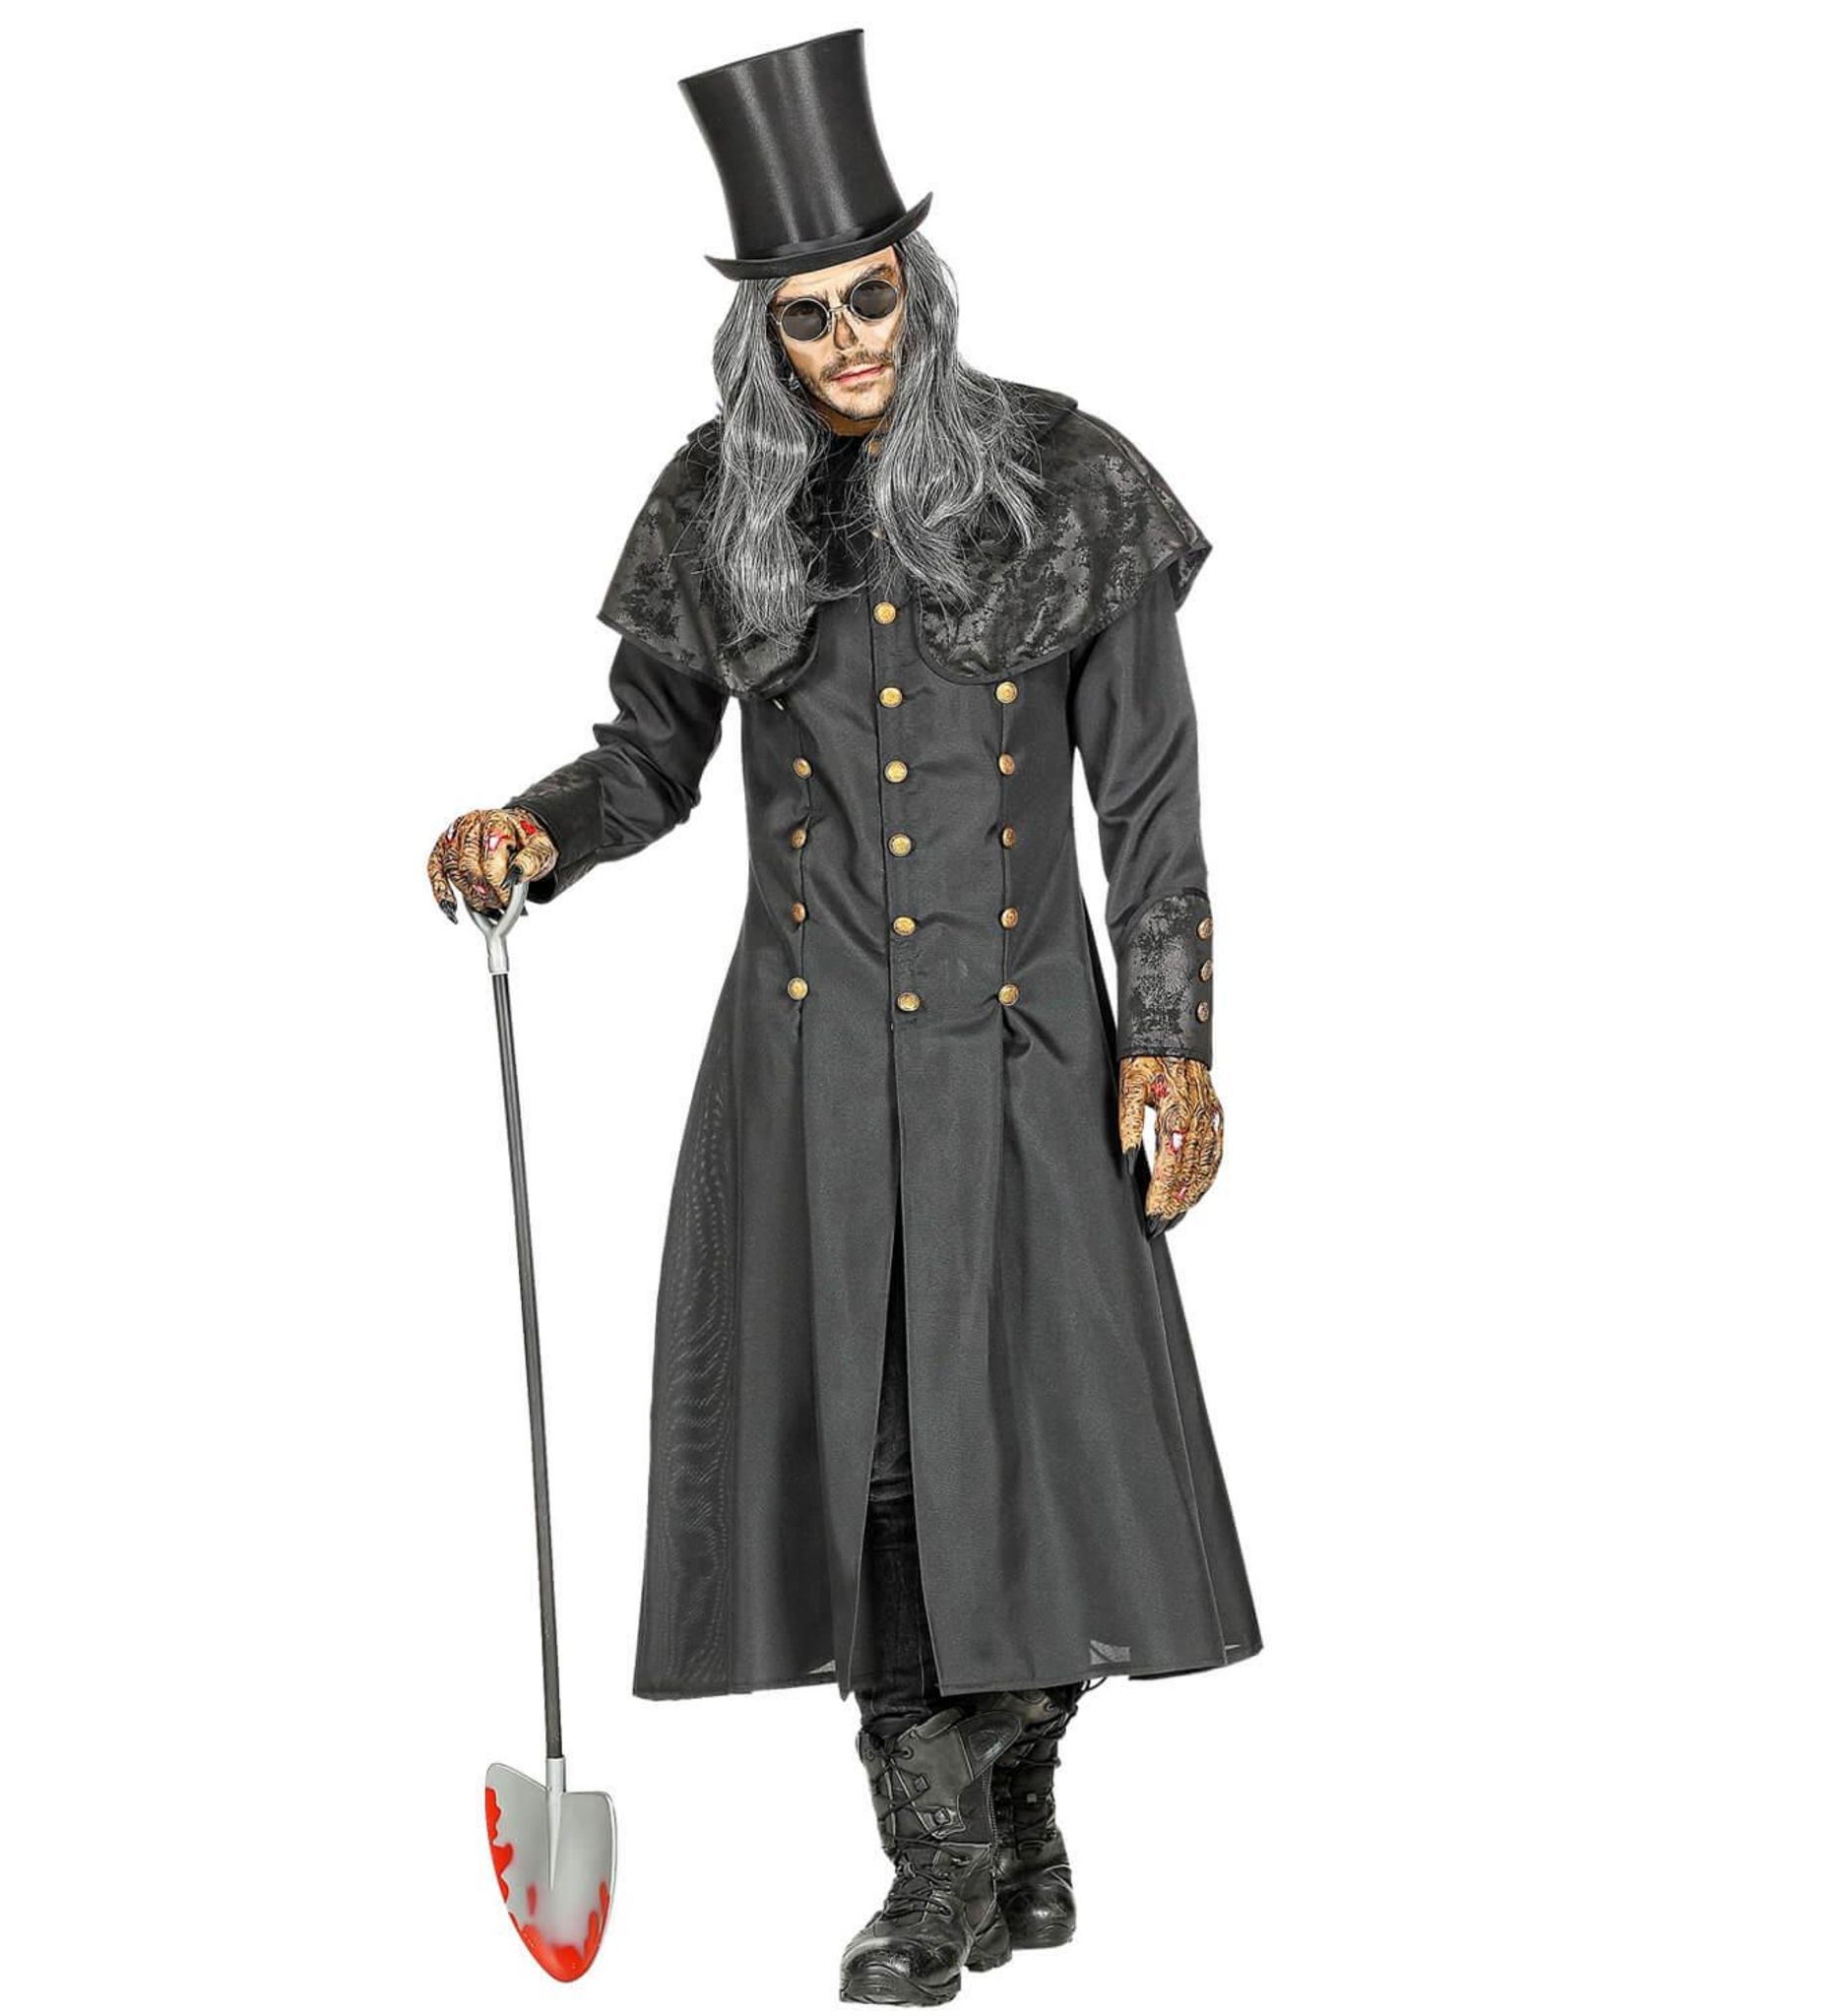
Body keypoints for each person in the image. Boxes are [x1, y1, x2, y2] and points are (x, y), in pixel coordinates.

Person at [428, 31, 1260, 2005]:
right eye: (802, 318)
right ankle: (943, 1863)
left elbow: (1147, 796)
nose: (844, 344)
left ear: (917, 283)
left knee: (1033, 1439)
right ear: (760, 329)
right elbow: (647, 764)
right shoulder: (716, 504)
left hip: (1030, 1058)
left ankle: (1013, 1804)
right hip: (806, 1068)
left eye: (867, 299)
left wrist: (1172, 1042)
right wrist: (529, 832)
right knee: (872, 1456)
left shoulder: (1068, 479)